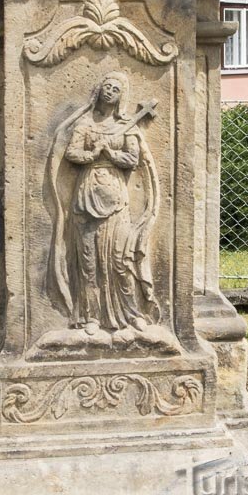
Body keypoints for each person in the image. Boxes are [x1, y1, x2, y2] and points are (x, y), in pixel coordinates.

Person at [48, 71, 160, 333]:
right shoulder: (85, 124)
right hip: (86, 194)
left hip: (116, 197)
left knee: (120, 261)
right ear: (98, 91)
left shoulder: (128, 126)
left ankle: (132, 314)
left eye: (115, 89)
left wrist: (109, 152)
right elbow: (72, 153)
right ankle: (92, 317)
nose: (110, 91)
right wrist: (93, 152)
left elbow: (132, 160)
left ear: (121, 97)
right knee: (89, 262)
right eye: (106, 87)